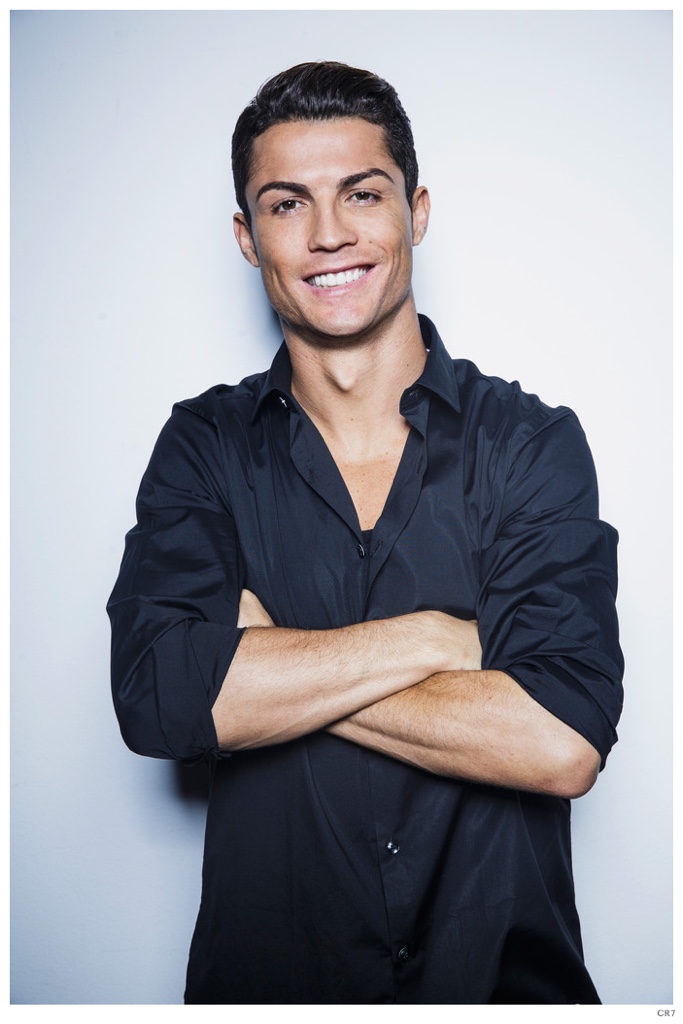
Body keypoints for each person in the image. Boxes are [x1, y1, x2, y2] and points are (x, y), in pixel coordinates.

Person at [107, 61, 624, 1004]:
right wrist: (431, 640)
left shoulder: (528, 443)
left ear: (415, 212)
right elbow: (159, 698)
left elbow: (559, 743)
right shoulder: (203, 448)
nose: (328, 233)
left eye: (361, 193)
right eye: (286, 203)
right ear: (246, 236)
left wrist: (263, 662)